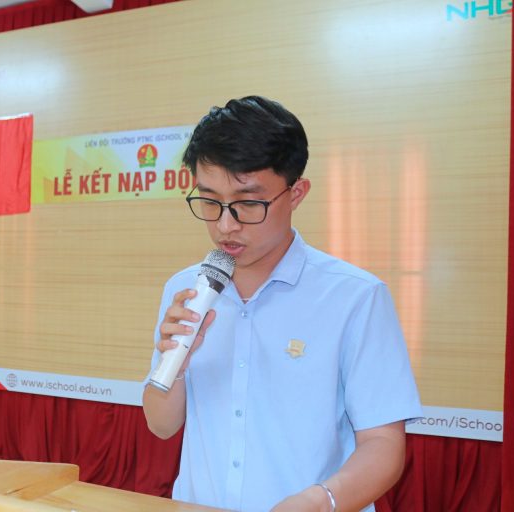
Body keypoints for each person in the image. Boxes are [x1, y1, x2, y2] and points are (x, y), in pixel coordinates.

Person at [142, 96, 422, 512]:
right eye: (210, 201)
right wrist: (175, 366)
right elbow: (161, 425)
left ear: (296, 193)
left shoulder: (355, 297)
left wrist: (320, 500)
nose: (225, 225)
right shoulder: (188, 289)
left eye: (248, 203)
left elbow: (382, 445)